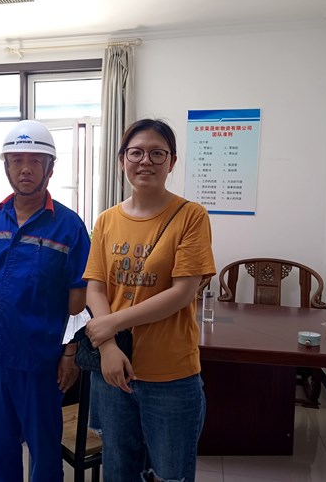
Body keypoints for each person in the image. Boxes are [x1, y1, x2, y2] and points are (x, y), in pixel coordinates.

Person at [83, 119, 216, 481]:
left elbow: (182, 292)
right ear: (121, 160)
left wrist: (110, 324)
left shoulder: (191, 216)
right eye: (136, 152)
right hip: (113, 368)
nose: (146, 161)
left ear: (172, 162)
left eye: (157, 153)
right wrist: (108, 347)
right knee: (118, 471)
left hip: (170, 375)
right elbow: (96, 287)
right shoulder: (107, 220)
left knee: (172, 474)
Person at [0, 120, 91, 481]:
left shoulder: (69, 226)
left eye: (35, 161)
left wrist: (70, 354)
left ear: (50, 168)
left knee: (44, 453)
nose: (25, 169)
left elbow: (78, 295)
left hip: (41, 361)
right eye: (17, 160)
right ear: (6, 166)